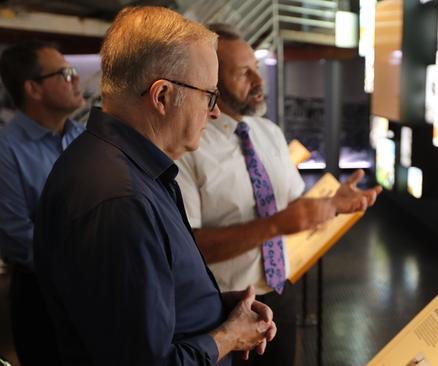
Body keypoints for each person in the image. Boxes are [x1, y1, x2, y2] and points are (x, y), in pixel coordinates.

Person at [33, 7, 276, 365]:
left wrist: (216, 307)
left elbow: (145, 302)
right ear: (161, 97)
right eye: (209, 96)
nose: (214, 112)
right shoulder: (120, 199)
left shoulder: (124, 166)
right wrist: (229, 336)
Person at [176, 23, 382, 365]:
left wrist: (331, 202)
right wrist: (274, 226)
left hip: (282, 294)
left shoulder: (268, 131)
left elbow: (292, 205)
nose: (259, 82)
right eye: (244, 73)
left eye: (257, 69)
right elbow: (190, 247)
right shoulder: (189, 146)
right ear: (210, 78)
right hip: (223, 309)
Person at [0, 40, 85, 366]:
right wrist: (83, 266)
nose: (76, 79)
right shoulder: (7, 149)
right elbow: (17, 234)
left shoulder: (83, 137)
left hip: (96, 282)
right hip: (41, 292)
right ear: (33, 89)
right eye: (65, 74)